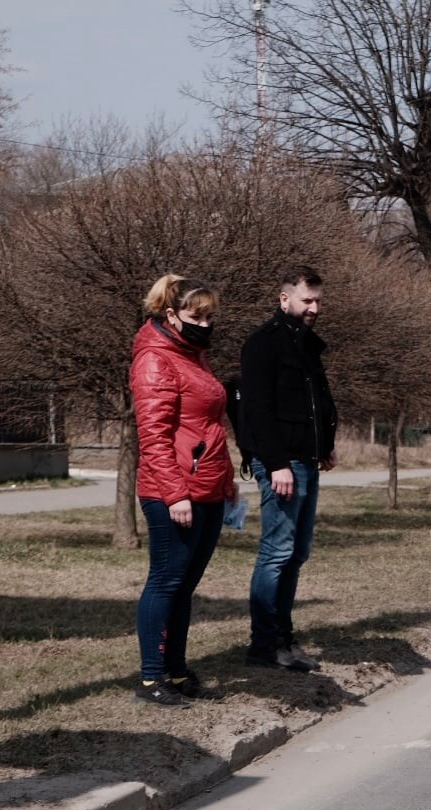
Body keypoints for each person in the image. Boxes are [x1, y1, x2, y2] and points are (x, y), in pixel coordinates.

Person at [131, 274, 237, 707]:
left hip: (206, 487)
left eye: (210, 317)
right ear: (171, 315)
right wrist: (175, 494)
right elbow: (154, 437)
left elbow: (207, 427)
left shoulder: (194, 356)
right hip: (171, 492)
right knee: (166, 581)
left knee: (184, 584)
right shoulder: (155, 360)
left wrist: (226, 481)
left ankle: (176, 670)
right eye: (197, 317)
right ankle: (151, 677)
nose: (206, 325)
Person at [238, 264, 337, 672]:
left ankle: (283, 638)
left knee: (297, 553)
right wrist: (276, 463)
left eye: (318, 301)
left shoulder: (306, 344)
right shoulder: (264, 343)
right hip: (282, 464)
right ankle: (264, 644)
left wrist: (324, 446)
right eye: (306, 300)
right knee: (277, 552)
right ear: (284, 299)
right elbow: (257, 410)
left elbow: (314, 404)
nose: (314, 308)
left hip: (305, 461)